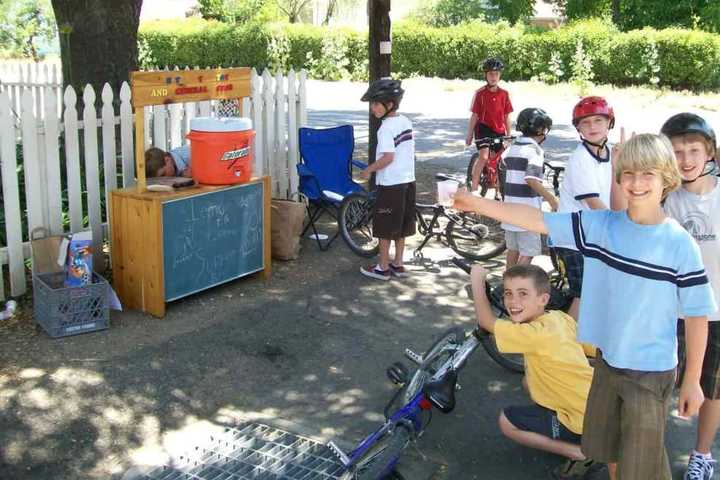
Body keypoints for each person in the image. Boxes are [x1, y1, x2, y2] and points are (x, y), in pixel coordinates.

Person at [452, 133, 716, 480]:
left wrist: (693, 380)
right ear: (618, 177)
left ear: (666, 177)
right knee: (609, 452)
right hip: (606, 366)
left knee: (643, 468)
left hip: (649, 375)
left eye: (647, 174)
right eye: (629, 174)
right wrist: (477, 202)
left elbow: (698, 314)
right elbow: (537, 220)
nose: (637, 184)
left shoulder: (679, 243)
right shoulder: (601, 226)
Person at [470, 263, 596, 479]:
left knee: (506, 422)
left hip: (581, 421)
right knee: (528, 382)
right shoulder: (558, 318)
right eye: (508, 293)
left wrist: (477, 282)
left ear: (543, 299)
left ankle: (579, 452)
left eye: (523, 294)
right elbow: (590, 348)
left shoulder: (533, 334)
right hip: (597, 405)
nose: (513, 302)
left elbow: (486, 321)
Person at [661, 113, 720, 480]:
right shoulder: (663, 199)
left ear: (709, 151)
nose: (685, 159)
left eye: (693, 150)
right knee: (661, 385)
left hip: (714, 314)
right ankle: (650, 448)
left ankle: (702, 453)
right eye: (676, 151)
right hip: (669, 313)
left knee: (711, 390)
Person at [554, 96, 616, 321]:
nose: (592, 127)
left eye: (598, 121)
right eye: (585, 123)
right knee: (585, 294)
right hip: (574, 237)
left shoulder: (611, 153)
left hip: (594, 234)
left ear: (609, 123)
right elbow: (594, 203)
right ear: (578, 127)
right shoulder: (580, 159)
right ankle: (567, 346)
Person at [358, 78, 415, 281]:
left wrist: (369, 170)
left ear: (389, 104)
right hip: (408, 181)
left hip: (390, 184)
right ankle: (398, 263)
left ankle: (382, 267)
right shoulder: (405, 122)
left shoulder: (385, 128)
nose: (372, 108)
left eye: (375, 103)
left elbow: (388, 158)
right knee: (401, 224)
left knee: (384, 226)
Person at [501, 107, 558, 269]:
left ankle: (508, 279)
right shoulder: (535, 151)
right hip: (527, 212)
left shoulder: (511, 148)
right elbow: (531, 179)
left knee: (513, 249)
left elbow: (503, 165)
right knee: (529, 252)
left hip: (509, 209)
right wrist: (552, 199)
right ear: (541, 130)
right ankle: (516, 281)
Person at [465, 57, 513, 192]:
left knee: (499, 159)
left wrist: (508, 135)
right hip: (483, 129)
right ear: (485, 75)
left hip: (498, 129)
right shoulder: (480, 94)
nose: (494, 77)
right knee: (484, 156)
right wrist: (469, 135)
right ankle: (474, 188)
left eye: (496, 74)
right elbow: (474, 115)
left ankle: (499, 190)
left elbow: (507, 116)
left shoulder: (504, 94)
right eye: (491, 74)